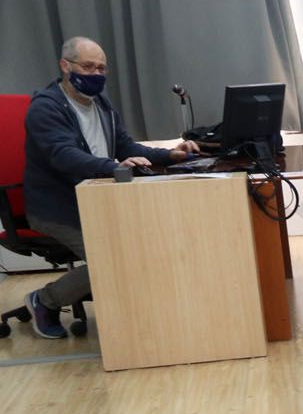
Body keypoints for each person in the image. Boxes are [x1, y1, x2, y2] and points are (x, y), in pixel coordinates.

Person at [19, 36, 196, 338]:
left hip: (99, 200)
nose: (96, 74)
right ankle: (45, 300)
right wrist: (111, 167)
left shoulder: (100, 103)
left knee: (145, 245)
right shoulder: (46, 108)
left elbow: (124, 145)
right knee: (113, 259)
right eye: (88, 67)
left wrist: (169, 155)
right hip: (58, 208)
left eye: (102, 69)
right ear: (65, 65)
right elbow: (65, 156)